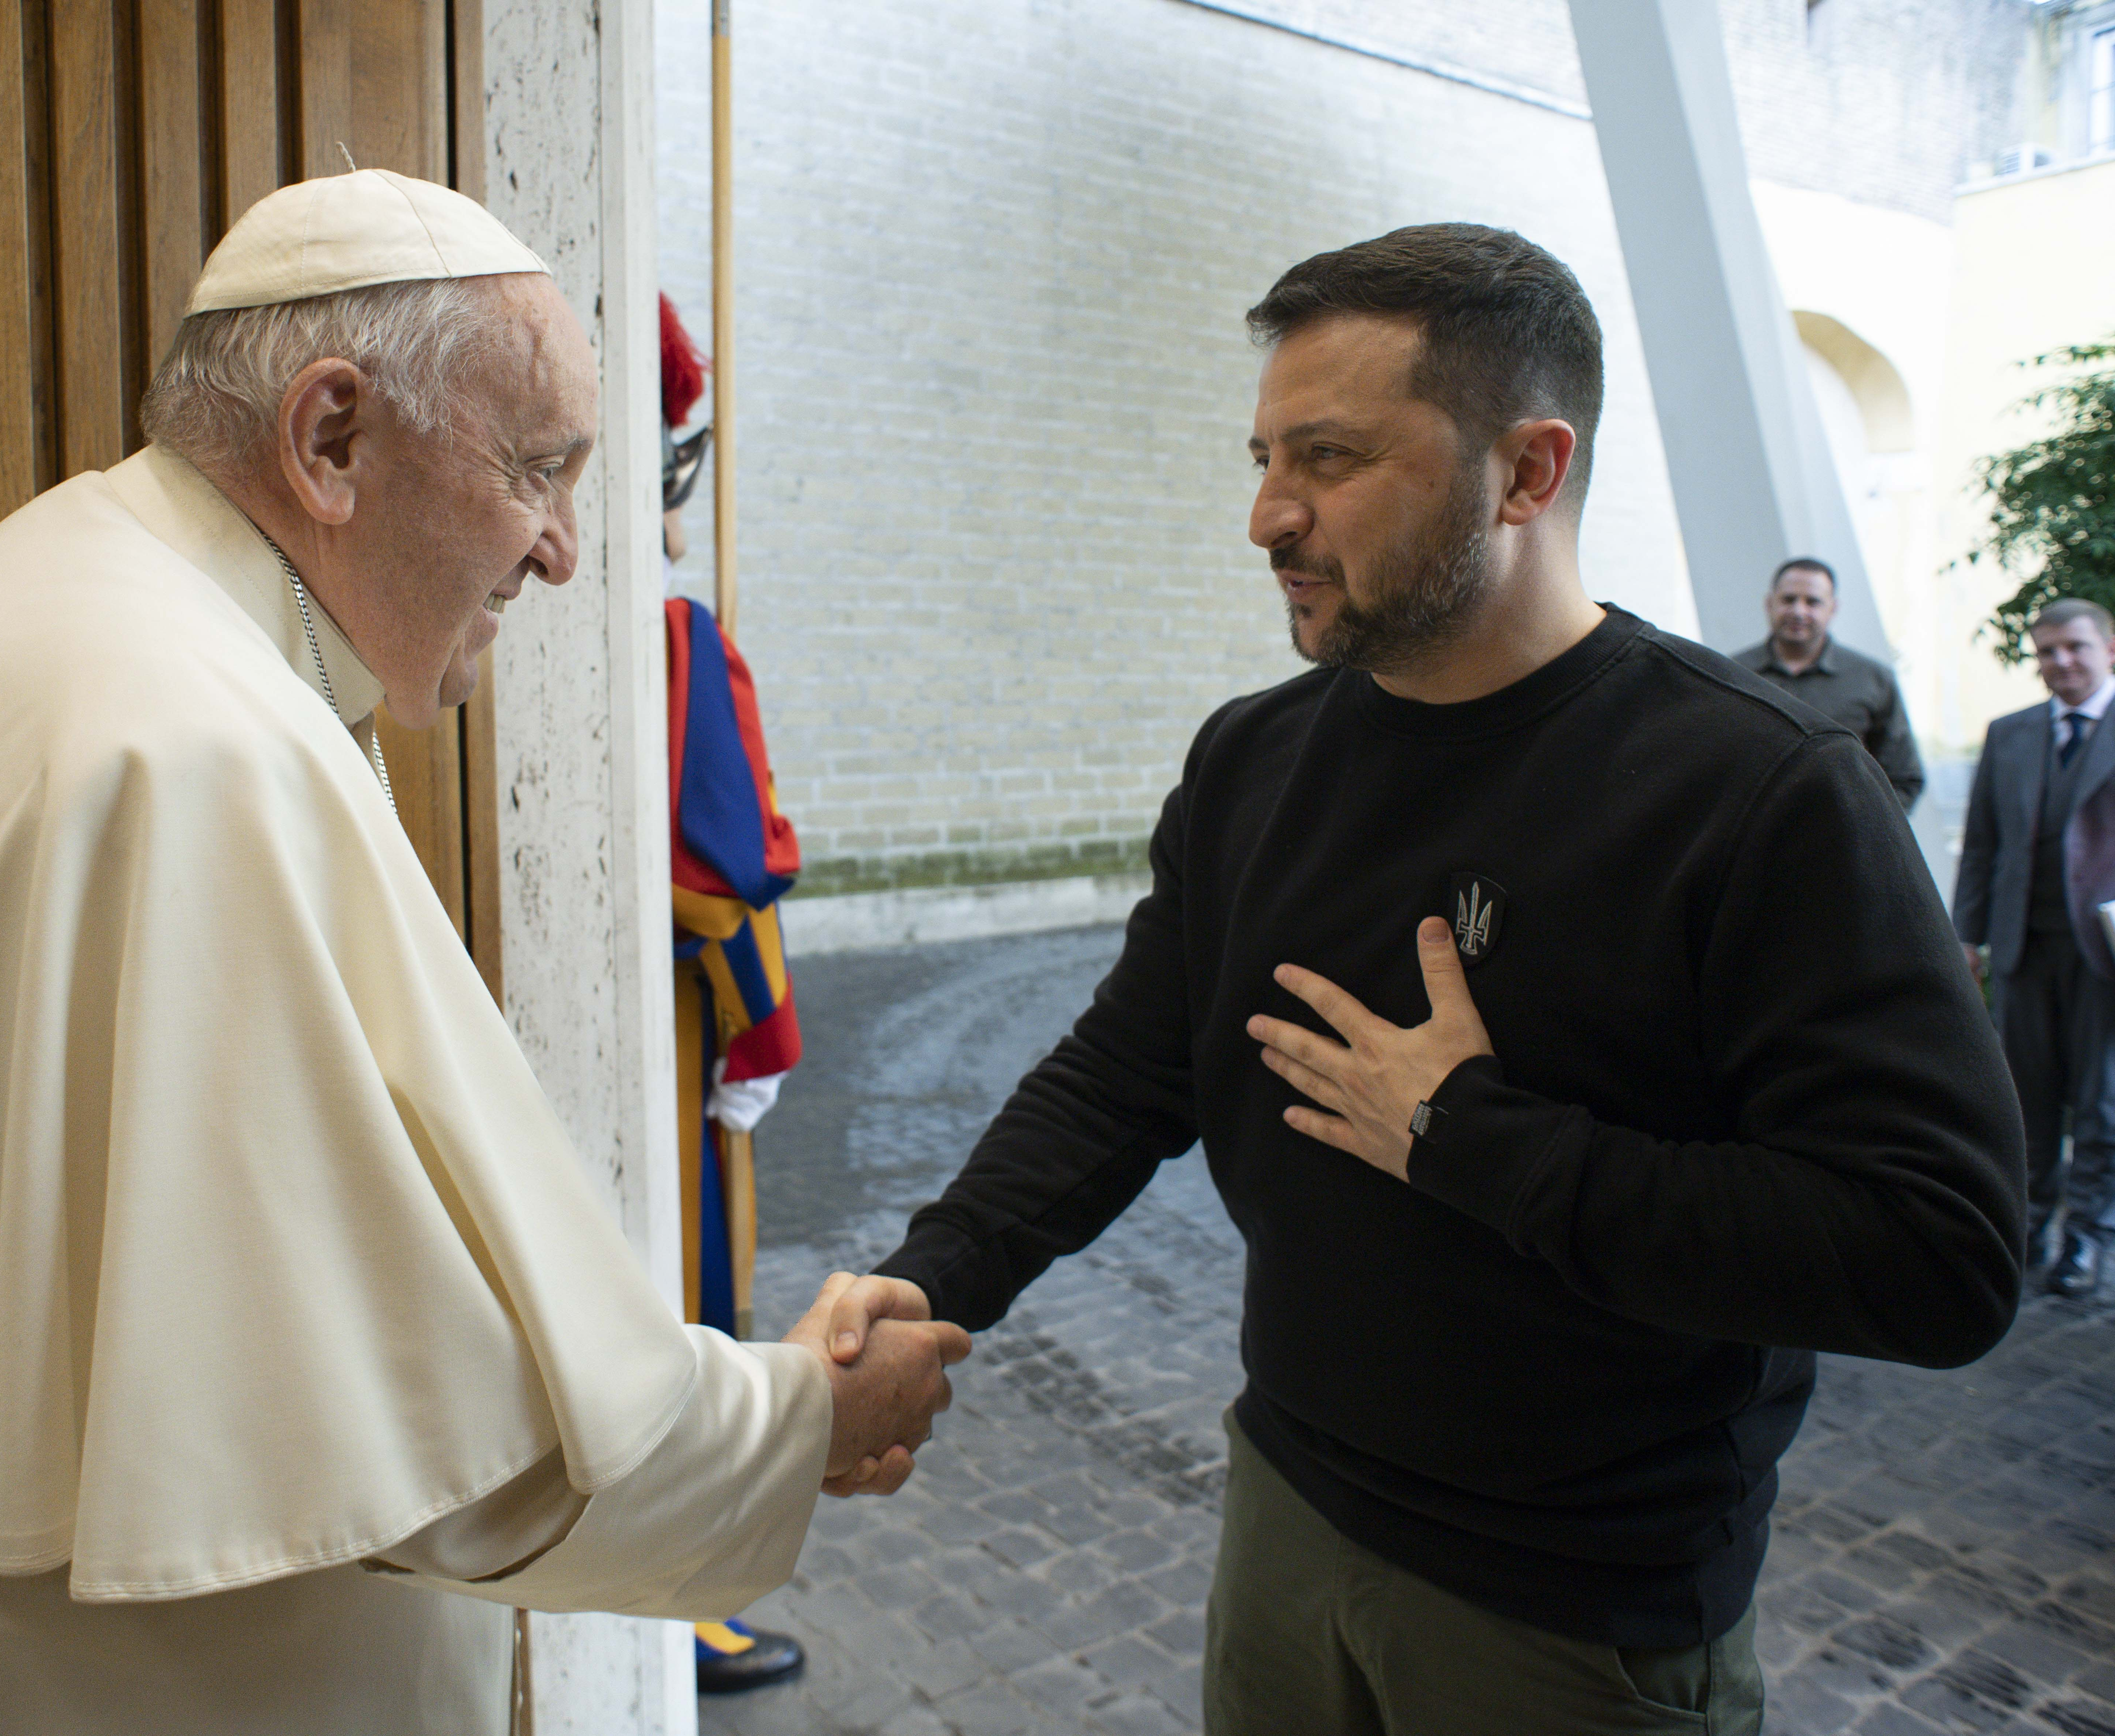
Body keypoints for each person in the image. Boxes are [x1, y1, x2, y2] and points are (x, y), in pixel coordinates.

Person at [0, 170, 970, 1734]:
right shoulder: (191, 743)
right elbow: (431, 1432)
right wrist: (796, 1416)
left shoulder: (81, 578)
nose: (559, 552)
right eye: (539, 472)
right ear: (330, 438)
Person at [824, 223, 2021, 1736]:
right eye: (1263, 454)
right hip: (1285, 1509)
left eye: (1327, 458)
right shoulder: (1253, 756)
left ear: (1524, 472)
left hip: (1574, 1610)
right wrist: (929, 1279)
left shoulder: (1760, 794)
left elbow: (1942, 1251)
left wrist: (1472, 1137)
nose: (1266, 514)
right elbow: (1126, 1068)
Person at [1954, 597, 2115, 1297]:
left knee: (2101, 1101)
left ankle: (2086, 1238)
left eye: (2075, 648)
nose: (2060, 662)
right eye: (2047, 651)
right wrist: (1967, 934)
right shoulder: (2010, 734)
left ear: (2108, 649)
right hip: (2023, 945)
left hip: (2104, 952)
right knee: (2025, 1099)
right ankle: (2023, 1226)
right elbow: (1984, 843)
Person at [1731, 557, 1924, 809]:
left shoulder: (1873, 679)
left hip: (1840, 843)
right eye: (1788, 600)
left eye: (1813, 602)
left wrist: (1862, 829)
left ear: (1832, 609)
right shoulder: (1732, 674)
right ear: (1769, 603)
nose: (1799, 612)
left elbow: (1903, 778)